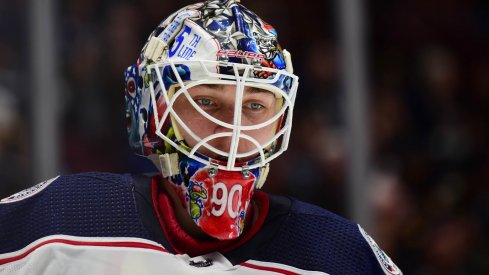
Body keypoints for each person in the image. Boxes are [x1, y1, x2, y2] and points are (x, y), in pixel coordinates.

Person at [0, 1, 402, 274]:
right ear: (153, 112)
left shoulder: (343, 255)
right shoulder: (57, 222)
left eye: (256, 106)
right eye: (208, 102)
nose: (233, 133)